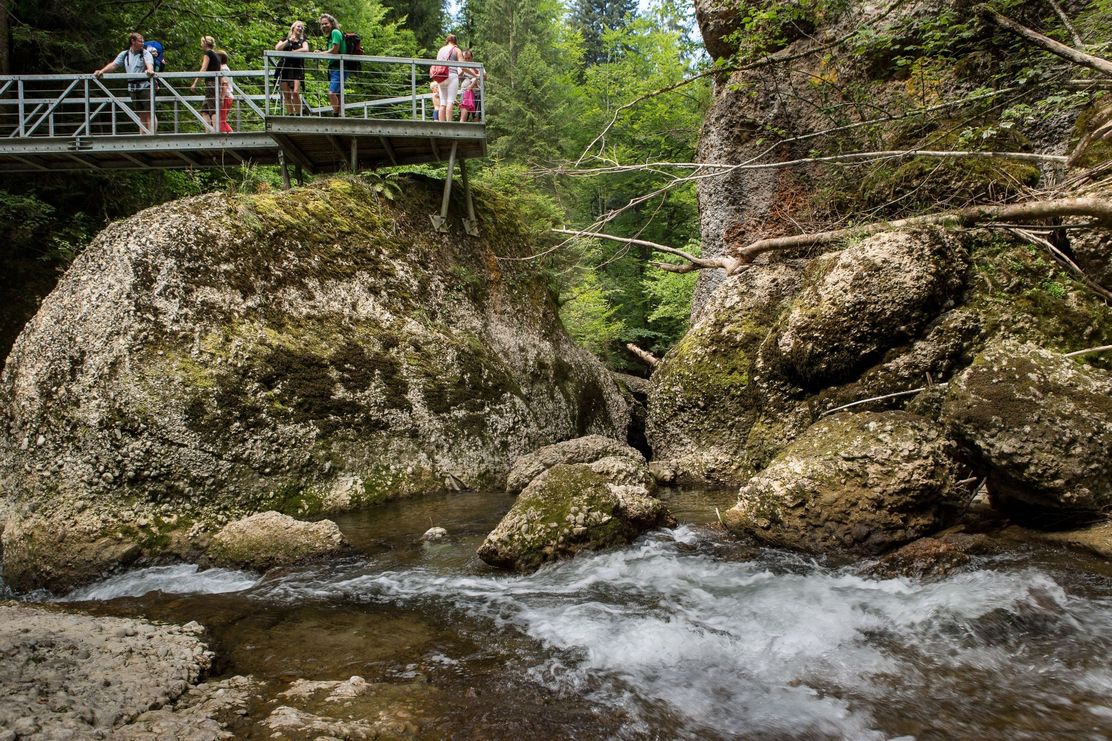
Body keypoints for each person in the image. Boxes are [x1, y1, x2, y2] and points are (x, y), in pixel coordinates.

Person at [93, 32, 157, 134]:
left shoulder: (145, 53)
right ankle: (142, 135)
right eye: (140, 41)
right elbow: (114, 65)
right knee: (141, 113)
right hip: (132, 88)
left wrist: (149, 70)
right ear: (133, 41)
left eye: (143, 41)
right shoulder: (125, 54)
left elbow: (149, 64)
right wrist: (101, 71)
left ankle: (151, 135)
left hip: (145, 86)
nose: (143, 43)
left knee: (149, 112)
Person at [275, 21, 309, 115]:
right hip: (285, 68)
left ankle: (298, 114)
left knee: (295, 92)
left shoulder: (303, 41)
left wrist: (294, 52)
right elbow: (277, 48)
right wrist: (289, 41)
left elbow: (306, 49)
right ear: (293, 28)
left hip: (297, 68)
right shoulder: (285, 39)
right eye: (298, 26)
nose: (300, 29)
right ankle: (290, 114)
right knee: (286, 94)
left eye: (302, 27)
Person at [190, 36, 222, 132]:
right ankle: (209, 131)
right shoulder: (216, 55)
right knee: (205, 111)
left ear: (205, 43)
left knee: (213, 109)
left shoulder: (208, 53)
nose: (200, 45)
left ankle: (216, 132)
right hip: (215, 84)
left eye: (201, 42)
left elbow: (203, 68)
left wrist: (195, 83)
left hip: (211, 84)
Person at [319, 14, 346, 117]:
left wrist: (321, 54)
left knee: (332, 92)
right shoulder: (331, 35)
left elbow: (335, 50)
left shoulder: (335, 32)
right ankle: (340, 115)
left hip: (339, 67)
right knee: (337, 93)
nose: (324, 26)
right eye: (322, 24)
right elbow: (332, 51)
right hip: (335, 68)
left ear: (332, 23)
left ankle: (335, 116)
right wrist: (322, 52)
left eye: (326, 23)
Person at [435, 33, 461, 123]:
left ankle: (441, 123)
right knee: (450, 101)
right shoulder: (457, 50)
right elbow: (463, 65)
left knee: (442, 102)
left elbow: (437, 64)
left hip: (441, 76)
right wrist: (474, 74)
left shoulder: (441, 50)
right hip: (452, 75)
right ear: (455, 41)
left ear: (447, 40)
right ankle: (449, 123)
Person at [457, 49, 485, 123]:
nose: (467, 60)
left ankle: (477, 127)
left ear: (472, 57)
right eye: (465, 58)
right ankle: (462, 128)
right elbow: (458, 77)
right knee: (463, 114)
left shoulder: (477, 65)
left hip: (476, 92)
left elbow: (485, 77)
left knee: (476, 115)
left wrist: (475, 70)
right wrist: (464, 70)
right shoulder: (460, 67)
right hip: (465, 92)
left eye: (468, 58)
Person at [216, 50, 234, 133]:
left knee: (221, 121)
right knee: (221, 120)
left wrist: (222, 98)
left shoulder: (223, 69)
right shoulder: (226, 68)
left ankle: (232, 137)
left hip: (226, 96)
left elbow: (224, 84)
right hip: (228, 96)